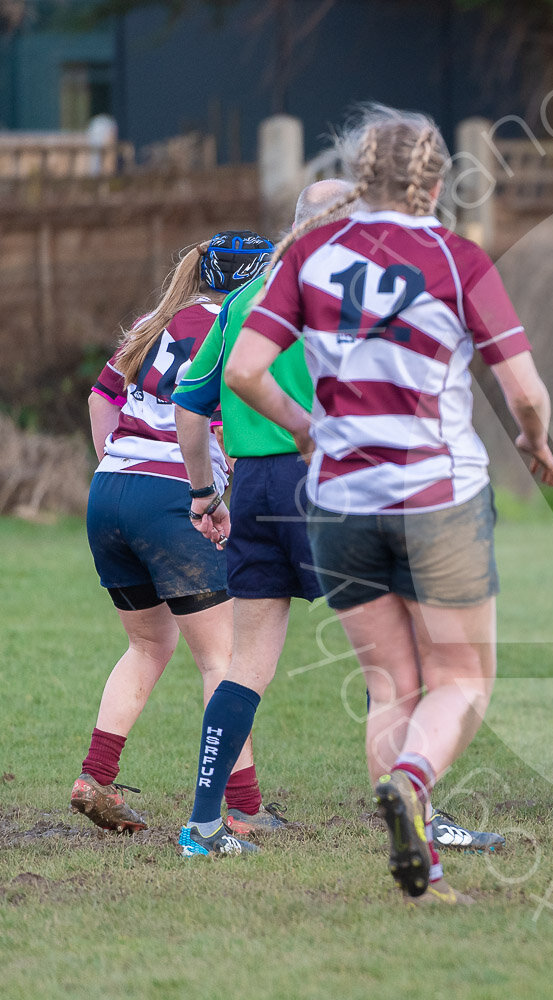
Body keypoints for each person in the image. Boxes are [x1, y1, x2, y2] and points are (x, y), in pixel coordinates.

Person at [226, 104, 553, 905]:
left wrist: (312, 433)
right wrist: (534, 442)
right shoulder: (456, 258)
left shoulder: (308, 253)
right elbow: (524, 390)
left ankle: (422, 872)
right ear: (438, 181)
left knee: (392, 683)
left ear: (358, 173)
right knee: (463, 678)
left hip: (337, 499)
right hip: (436, 495)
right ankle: (412, 782)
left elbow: (243, 370)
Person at [172, 180, 505, 857]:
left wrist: (205, 493)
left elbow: (189, 400)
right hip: (337, 478)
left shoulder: (240, 297)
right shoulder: (351, 287)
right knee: (403, 663)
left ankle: (203, 825)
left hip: (255, 483)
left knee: (247, 660)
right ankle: (414, 810)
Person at [72, 230, 273, 834]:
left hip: (109, 492)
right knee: (224, 659)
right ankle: (243, 808)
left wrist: (117, 457)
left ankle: (95, 776)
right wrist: (214, 492)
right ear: (251, 279)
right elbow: (221, 425)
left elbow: (101, 396)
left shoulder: (153, 321)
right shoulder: (240, 323)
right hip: (172, 496)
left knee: (148, 645)